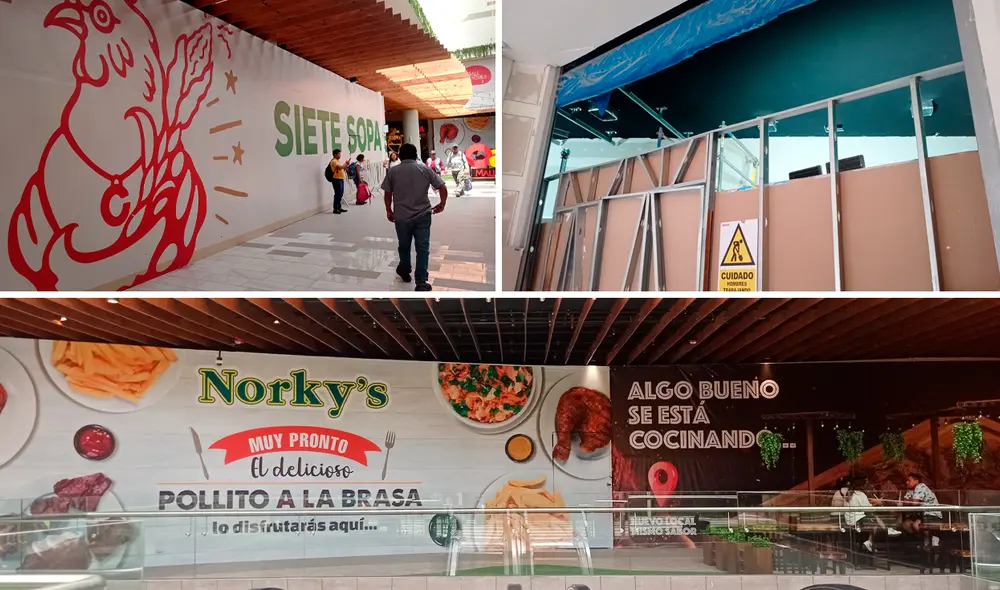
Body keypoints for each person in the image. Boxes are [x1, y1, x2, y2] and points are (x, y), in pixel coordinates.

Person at [381, 143, 447, 291]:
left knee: (404, 246)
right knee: (423, 248)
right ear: (416, 154)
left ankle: (404, 270)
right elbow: (442, 186)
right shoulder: (425, 169)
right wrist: (442, 203)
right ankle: (421, 282)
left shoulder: (393, 171)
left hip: (402, 216)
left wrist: (388, 210)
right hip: (423, 214)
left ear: (400, 154)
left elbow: (387, 193)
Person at [831, 478, 901, 552]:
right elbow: (868, 508)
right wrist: (877, 503)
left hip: (849, 521)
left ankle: (872, 539)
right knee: (874, 517)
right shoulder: (860, 494)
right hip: (858, 521)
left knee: (874, 518)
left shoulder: (847, 495)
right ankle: (883, 531)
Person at [901, 472, 943, 545]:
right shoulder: (911, 490)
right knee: (905, 524)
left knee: (915, 525)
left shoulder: (920, 486)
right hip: (922, 515)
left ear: (916, 481)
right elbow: (904, 502)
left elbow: (915, 503)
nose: (906, 482)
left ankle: (932, 538)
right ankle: (924, 539)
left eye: (909, 480)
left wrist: (908, 501)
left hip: (932, 515)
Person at [328, 149, 348, 214]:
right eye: (339, 154)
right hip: (336, 179)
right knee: (337, 194)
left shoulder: (338, 161)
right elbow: (340, 167)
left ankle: (339, 207)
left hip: (340, 179)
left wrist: (345, 166)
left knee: (341, 193)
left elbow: (342, 168)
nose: (340, 155)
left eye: (340, 154)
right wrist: (346, 164)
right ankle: (335, 208)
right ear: (335, 155)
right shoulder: (334, 161)